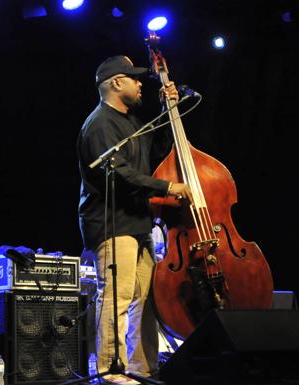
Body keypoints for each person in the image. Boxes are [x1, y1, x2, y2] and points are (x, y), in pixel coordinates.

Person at [77, 55, 191, 384]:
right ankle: (110, 371)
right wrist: (168, 187)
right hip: (112, 223)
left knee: (145, 299)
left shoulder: (130, 121)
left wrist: (169, 112)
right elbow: (120, 174)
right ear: (115, 83)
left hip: (137, 222)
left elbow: (155, 151)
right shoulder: (99, 123)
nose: (141, 83)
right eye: (134, 78)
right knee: (117, 295)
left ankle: (142, 368)